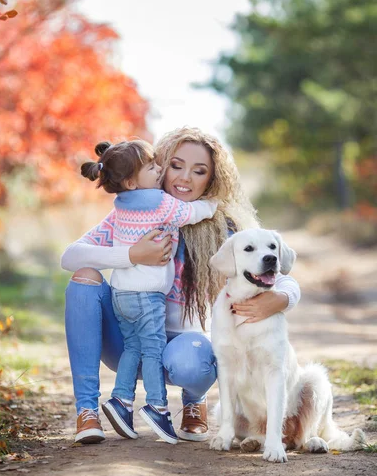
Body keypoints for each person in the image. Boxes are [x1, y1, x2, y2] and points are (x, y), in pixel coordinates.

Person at [61, 127, 301, 444]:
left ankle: (193, 402)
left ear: (212, 178)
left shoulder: (226, 228)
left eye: (198, 171)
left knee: (193, 362)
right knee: (84, 278)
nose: (184, 178)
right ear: (159, 166)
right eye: (176, 166)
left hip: (183, 351)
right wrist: (131, 254)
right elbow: (70, 256)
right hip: (129, 339)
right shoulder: (135, 213)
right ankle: (88, 412)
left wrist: (282, 299)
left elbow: (282, 275)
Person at [79, 139, 217, 445]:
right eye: (157, 166)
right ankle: (157, 407)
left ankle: (121, 400)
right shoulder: (159, 201)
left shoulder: (122, 204)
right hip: (147, 296)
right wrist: (216, 203)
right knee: (152, 350)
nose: (160, 170)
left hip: (123, 295)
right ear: (131, 180)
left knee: (134, 348)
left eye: (198, 171)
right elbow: (193, 213)